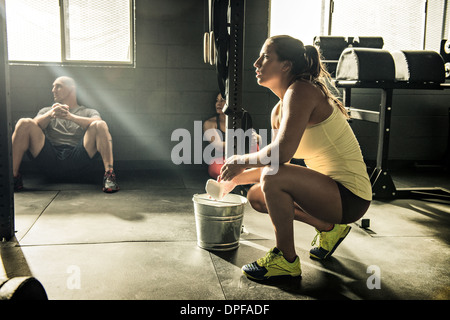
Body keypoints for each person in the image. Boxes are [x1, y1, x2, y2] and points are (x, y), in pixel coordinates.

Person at [218, 35, 372, 280]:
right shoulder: (279, 109)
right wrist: (236, 180)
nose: (256, 63)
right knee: (257, 196)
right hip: (330, 195)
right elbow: (280, 164)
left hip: (350, 196)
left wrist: (241, 161)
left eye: (265, 57)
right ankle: (329, 228)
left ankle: (286, 259)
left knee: (272, 178)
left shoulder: (302, 91)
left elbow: (281, 154)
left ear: (286, 65)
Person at [12, 76, 120, 193]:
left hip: (77, 158)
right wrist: (51, 114)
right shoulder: (46, 111)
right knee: (24, 122)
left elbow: (99, 123)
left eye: (58, 86)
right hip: (50, 159)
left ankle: (109, 177)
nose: (53, 90)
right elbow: (32, 126)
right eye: (53, 86)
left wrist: (70, 117)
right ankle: (12, 177)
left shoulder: (88, 112)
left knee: (100, 124)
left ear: (72, 89)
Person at [203, 93, 227, 180]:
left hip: (238, 159)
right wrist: (243, 142)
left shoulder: (241, 121)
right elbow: (219, 146)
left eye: (223, 100)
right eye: (217, 100)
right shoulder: (210, 123)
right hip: (218, 161)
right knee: (223, 173)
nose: (218, 104)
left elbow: (255, 140)